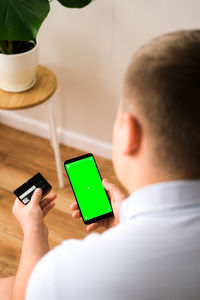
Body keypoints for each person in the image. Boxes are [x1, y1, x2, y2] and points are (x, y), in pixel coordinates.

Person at [1, 29, 200, 300]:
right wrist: (127, 221)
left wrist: (34, 229)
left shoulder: (75, 270)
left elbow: (23, 296)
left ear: (130, 133)